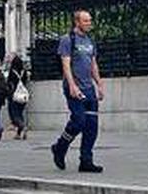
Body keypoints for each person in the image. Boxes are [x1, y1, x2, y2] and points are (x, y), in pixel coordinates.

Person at [50, 10, 104, 174]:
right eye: (86, 21)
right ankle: (60, 147)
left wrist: (99, 84)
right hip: (74, 87)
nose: (89, 23)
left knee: (92, 126)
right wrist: (72, 86)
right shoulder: (68, 40)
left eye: (90, 20)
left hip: (89, 88)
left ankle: (86, 160)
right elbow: (66, 65)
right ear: (77, 22)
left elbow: (93, 64)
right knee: (79, 121)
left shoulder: (90, 41)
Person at [6, 53, 31, 140]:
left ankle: (22, 126)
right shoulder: (24, 71)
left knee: (14, 114)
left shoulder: (12, 71)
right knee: (20, 113)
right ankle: (18, 133)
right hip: (23, 95)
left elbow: (9, 83)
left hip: (14, 95)